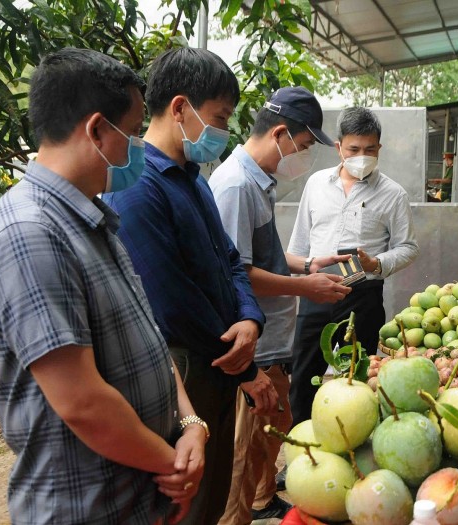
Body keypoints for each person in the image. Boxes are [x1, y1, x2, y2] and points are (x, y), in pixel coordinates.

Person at [0, 48, 206, 524]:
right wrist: (172, 465)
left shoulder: (90, 218)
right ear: (97, 129)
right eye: (134, 133)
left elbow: (151, 341)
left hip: (136, 498)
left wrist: (191, 425)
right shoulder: (28, 234)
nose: (136, 147)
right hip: (86, 509)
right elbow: (82, 403)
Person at [102, 48, 273, 525]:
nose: (222, 133)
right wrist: (244, 365)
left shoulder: (194, 180)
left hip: (217, 357)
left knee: (212, 492)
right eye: (219, 118)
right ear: (181, 108)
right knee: (186, 501)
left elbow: (230, 261)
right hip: (184, 364)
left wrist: (249, 318)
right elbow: (170, 300)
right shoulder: (138, 186)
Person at [209, 87, 352, 523]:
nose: (305, 157)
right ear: (280, 135)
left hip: (272, 340)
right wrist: (305, 287)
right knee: (243, 449)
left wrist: (307, 263)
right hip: (254, 343)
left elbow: (260, 255)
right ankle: (237, 515)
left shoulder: (257, 182)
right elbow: (239, 276)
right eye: (305, 146)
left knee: (268, 434)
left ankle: (262, 498)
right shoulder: (235, 186)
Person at [288, 107, 419, 426]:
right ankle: (301, 445)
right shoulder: (316, 184)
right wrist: (303, 273)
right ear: (338, 147)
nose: (362, 156)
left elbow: (408, 247)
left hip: (363, 296)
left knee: (358, 380)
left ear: (379, 148)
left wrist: (378, 262)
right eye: (354, 150)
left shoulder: (393, 194)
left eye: (370, 150)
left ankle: (352, 448)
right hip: (315, 292)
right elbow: (298, 245)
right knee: (304, 376)